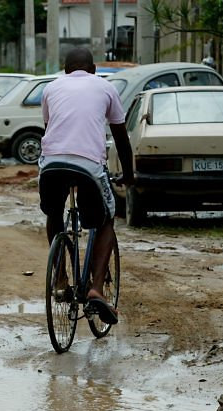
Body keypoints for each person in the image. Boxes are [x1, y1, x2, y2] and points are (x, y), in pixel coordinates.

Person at [38, 47, 134, 325]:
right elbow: (121, 137)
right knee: (105, 219)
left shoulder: (51, 88)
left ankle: (59, 278)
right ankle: (96, 289)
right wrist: (128, 175)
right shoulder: (105, 87)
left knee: (54, 213)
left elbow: (50, 127)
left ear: (65, 70)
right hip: (89, 166)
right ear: (93, 69)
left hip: (51, 165)